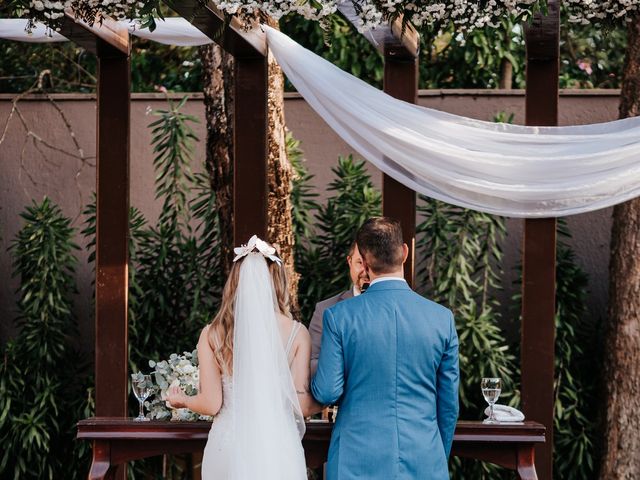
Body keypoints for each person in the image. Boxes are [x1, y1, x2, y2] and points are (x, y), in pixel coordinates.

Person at [311, 217, 460, 480]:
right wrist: (436, 454)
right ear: (405, 252)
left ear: (365, 263)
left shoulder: (338, 316)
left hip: (355, 460)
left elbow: (327, 390)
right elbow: (448, 405)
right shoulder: (441, 318)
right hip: (425, 458)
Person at [166, 235, 321, 480]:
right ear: (278, 282)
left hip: (228, 445)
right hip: (277, 446)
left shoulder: (212, 334)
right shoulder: (297, 333)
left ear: (235, 283)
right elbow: (300, 405)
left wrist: (182, 400)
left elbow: (211, 403)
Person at [309, 241, 369, 375]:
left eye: (370, 264)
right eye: (359, 263)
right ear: (349, 262)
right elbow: (312, 362)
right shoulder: (324, 309)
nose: (365, 271)